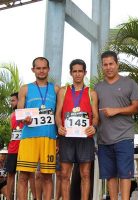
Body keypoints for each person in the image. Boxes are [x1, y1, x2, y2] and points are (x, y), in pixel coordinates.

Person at [94, 51, 138, 200]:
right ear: (102, 66)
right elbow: (93, 113)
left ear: (117, 64)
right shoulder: (97, 87)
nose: (108, 67)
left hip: (124, 137)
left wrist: (116, 111)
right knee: (110, 175)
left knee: (125, 174)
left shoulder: (129, 83)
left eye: (111, 64)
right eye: (105, 65)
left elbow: (136, 107)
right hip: (103, 139)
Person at [55, 59, 99, 200]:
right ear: (71, 73)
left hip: (85, 138)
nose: (78, 74)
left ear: (85, 73)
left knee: (85, 174)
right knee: (64, 174)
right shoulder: (63, 91)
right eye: (75, 71)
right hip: (66, 137)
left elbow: (96, 116)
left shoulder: (91, 93)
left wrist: (94, 127)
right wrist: (59, 126)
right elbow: (57, 114)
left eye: (80, 71)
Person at [17, 57, 59, 200]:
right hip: (29, 137)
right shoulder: (25, 88)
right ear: (33, 69)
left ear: (48, 69)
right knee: (23, 176)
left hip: (49, 137)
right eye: (38, 68)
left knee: (47, 177)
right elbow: (20, 113)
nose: (41, 71)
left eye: (44, 68)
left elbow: (59, 114)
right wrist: (24, 118)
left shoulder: (56, 89)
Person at [5, 92, 36, 200]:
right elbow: (12, 131)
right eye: (11, 101)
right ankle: (8, 198)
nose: (11, 103)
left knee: (30, 174)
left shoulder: (28, 114)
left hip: (25, 148)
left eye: (13, 100)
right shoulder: (12, 116)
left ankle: (35, 197)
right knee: (10, 174)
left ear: (20, 100)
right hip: (13, 149)